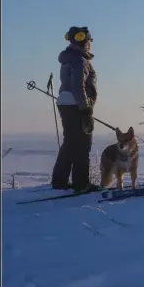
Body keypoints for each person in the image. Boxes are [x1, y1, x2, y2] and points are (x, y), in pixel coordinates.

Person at [50, 26, 99, 192]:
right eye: (89, 41)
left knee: (70, 142)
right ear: (83, 41)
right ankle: (81, 183)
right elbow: (78, 86)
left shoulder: (69, 58)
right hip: (77, 105)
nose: (90, 44)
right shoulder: (79, 60)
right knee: (83, 144)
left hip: (65, 103)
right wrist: (86, 109)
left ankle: (59, 181)